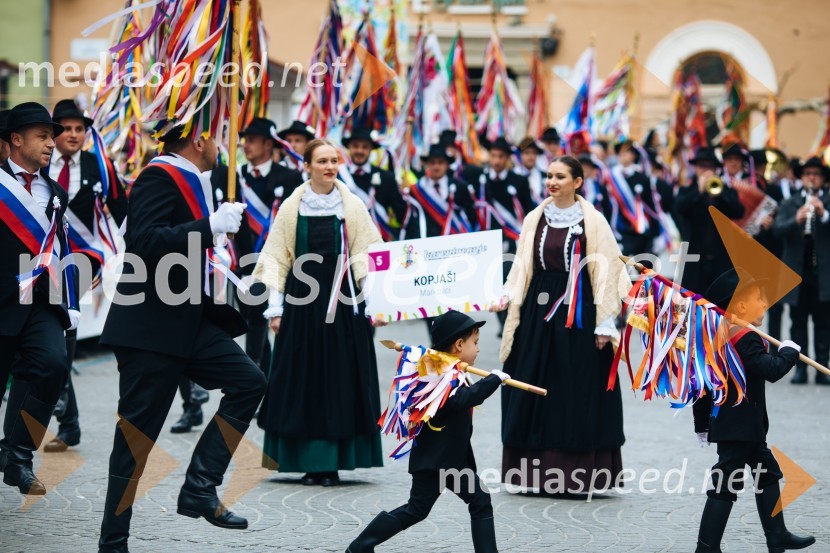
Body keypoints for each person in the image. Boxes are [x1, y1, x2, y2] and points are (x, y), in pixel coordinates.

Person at [97, 125, 267, 552]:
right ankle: (112, 542)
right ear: (199, 140)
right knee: (136, 441)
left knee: (250, 382)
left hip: (191, 322)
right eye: (217, 137)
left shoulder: (199, 181)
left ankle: (200, 487)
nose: (221, 146)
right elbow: (144, 241)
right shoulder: (158, 175)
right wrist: (209, 225)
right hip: (151, 327)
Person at [492, 155, 630, 494]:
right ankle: (532, 474)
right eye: (549, 176)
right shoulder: (534, 218)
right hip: (537, 313)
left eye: (560, 177)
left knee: (575, 388)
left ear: (578, 182)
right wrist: (508, 294)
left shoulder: (593, 221)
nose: (552, 182)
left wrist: (605, 324)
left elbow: (609, 271)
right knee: (530, 384)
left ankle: (576, 475)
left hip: (578, 314)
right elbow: (522, 266)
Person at [253, 139, 386, 487]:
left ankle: (334, 462)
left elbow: (367, 254)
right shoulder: (292, 207)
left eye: (334, 160)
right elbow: (277, 257)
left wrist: (373, 301)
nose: (330, 166)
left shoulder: (352, 206)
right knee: (303, 378)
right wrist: (276, 308)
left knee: (340, 378)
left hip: (343, 303)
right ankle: (305, 459)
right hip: (301, 302)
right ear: (307, 165)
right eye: (322, 161)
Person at [346, 311, 510, 553]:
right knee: (417, 510)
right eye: (475, 343)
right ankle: (361, 545)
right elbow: (461, 399)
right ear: (459, 345)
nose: (477, 349)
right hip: (436, 461)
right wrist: (492, 380)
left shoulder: (449, 370)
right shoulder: (437, 372)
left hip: (452, 460)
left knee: (479, 501)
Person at [692, 268, 815, 553]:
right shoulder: (742, 336)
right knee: (725, 484)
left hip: (747, 427)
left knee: (767, 472)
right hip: (738, 428)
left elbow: (704, 385)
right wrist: (788, 352)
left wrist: (701, 423)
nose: (764, 303)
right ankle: (706, 547)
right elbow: (769, 369)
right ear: (741, 306)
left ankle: (777, 534)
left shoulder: (726, 333)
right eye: (758, 298)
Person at [43, 99, 129, 452]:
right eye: (66, 129)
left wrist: (111, 255)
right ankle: (68, 418)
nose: (74, 135)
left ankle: (65, 413)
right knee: (55, 337)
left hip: (84, 257)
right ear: (54, 133)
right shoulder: (41, 164)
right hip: (44, 257)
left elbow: (124, 210)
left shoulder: (99, 166)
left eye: (80, 129)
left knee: (63, 326)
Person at [0, 102, 76, 495]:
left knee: (52, 366)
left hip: (41, 302)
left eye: (52, 136)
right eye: (43, 136)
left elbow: (62, 248)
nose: (52, 143)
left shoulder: (54, 191)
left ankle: (18, 455)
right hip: (2, 302)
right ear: (16, 139)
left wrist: (71, 302)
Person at [773, 157, 830, 385]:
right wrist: (796, 219)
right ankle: (800, 368)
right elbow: (777, 230)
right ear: (802, 177)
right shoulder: (791, 202)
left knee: (824, 322)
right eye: (808, 174)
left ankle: (822, 367)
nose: (812, 178)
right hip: (797, 274)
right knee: (798, 322)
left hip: (823, 275)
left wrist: (823, 214)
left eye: (816, 174)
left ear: (823, 178)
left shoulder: (828, 201)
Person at [675, 147, 745, 294]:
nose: (706, 170)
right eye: (702, 166)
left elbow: (739, 211)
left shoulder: (726, 190)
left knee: (718, 307)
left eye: (710, 167)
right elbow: (679, 209)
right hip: (694, 261)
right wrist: (699, 191)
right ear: (696, 168)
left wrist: (720, 193)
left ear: (716, 169)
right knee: (693, 305)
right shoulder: (686, 191)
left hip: (720, 261)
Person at [342, 126, 407, 240]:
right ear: (349, 147)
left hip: (379, 241)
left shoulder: (386, 177)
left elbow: (402, 215)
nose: (360, 151)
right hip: (348, 241)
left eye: (365, 147)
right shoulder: (339, 176)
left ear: (371, 149)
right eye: (355, 146)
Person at [402, 143, 476, 239]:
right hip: (428, 242)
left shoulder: (460, 187)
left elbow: (470, 215)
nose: (436, 167)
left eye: (440, 162)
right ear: (426, 165)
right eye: (432, 162)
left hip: (456, 242)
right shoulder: (417, 190)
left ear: (447, 165)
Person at [514, 136, 547, 206]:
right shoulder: (514, 174)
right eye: (527, 153)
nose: (531, 156)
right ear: (520, 155)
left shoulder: (543, 175)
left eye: (534, 153)